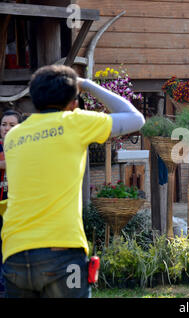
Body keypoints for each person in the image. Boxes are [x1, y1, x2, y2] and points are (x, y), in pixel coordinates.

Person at [0, 65, 144, 298]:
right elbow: (135, 119)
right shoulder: (74, 122)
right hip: (61, 250)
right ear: (73, 103)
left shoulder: (14, 135)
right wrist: (86, 85)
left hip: (15, 253)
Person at [0, 110, 23, 298]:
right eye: (3, 124)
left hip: (17, 208)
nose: (6, 128)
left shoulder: (25, 147)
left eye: (12, 125)